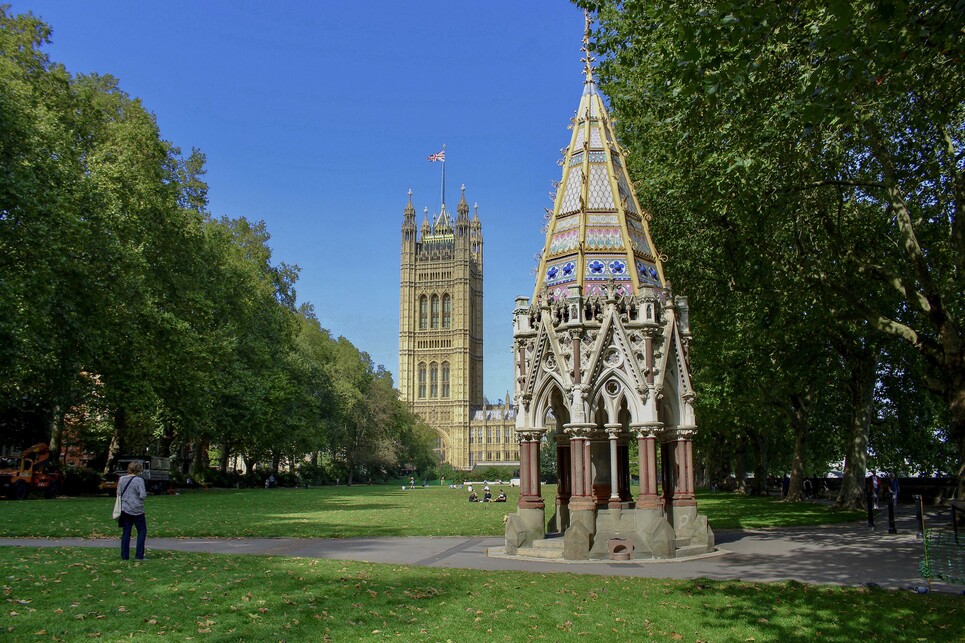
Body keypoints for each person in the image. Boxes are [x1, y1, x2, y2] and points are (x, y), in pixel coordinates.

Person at [118, 461, 148, 561]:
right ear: (139, 470)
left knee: (126, 532)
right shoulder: (139, 480)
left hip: (125, 508)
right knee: (142, 531)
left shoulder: (122, 479)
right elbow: (142, 495)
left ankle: (124, 556)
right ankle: (139, 555)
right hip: (137, 509)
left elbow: (118, 493)